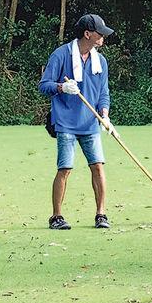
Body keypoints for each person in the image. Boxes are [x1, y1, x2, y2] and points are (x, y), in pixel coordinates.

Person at [39, 13, 118, 230]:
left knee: (98, 167)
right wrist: (61, 87)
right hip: (65, 121)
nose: (103, 37)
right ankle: (56, 217)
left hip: (90, 123)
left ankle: (101, 215)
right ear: (87, 34)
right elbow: (43, 85)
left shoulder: (100, 61)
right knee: (65, 168)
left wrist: (105, 115)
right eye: (100, 33)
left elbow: (103, 92)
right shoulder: (61, 55)